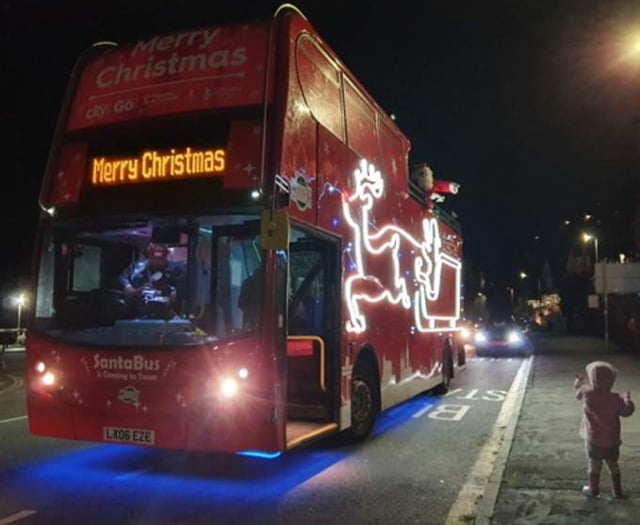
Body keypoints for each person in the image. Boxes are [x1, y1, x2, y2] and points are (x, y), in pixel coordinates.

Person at [574, 360, 635, 499]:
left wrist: (578, 381)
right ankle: (617, 491)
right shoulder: (615, 399)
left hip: (592, 439)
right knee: (613, 465)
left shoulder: (587, 393)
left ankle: (593, 489)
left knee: (594, 464)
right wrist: (627, 400)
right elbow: (627, 412)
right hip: (611, 441)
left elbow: (577, 392)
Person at [118, 243, 183, 317]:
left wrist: (173, 295)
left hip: (165, 311)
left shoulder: (176, 269)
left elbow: (182, 288)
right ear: (148, 256)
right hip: (138, 311)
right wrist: (132, 290)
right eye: (153, 258)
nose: (156, 262)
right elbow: (123, 279)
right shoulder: (136, 267)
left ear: (166, 257)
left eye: (160, 259)